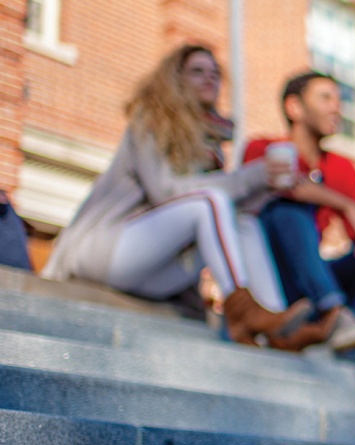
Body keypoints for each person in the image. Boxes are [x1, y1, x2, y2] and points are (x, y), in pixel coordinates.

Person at [42, 44, 310, 347]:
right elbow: (165, 191)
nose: (209, 79)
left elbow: (218, 211)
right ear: (175, 79)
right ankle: (243, 311)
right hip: (105, 251)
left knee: (243, 220)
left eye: (215, 73)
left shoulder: (208, 143)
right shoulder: (149, 120)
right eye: (197, 71)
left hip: (151, 273)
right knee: (211, 201)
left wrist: (266, 186)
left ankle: (276, 327)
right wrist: (249, 177)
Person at [243, 72, 355, 354]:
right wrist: (346, 205)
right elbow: (285, 187)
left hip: (316, 275)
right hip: (276, 275)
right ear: (294, 107)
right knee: (286, 208)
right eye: (325, 98)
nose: (337, 107)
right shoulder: (263, 148)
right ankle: (335, 314)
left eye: (338, 99)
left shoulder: (341, 167)